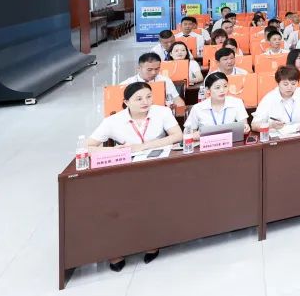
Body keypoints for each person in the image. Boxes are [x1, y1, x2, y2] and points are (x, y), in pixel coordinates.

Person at [87, 81, 182, 271]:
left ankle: (151, 242)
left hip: (157, 167)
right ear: (126, 102)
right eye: (138, 99)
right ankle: (117, 248)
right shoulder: (113, 121)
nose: (145, 102)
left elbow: (177, 135)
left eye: (148, 97)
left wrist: (144, 146)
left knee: (154, 202)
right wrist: (119, 151)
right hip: (126, 171)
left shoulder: (162, 112)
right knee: (119, 206)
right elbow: (89, 147)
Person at [252, 66, 300, 134]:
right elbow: (254, 125)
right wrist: (271, 125)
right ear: (278, 83)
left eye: (293, 84)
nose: (289, 87)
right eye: (285, 84)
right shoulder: (269, 98)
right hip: (278, 137)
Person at [184, 72, 250, 135]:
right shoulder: (198, 108)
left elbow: (244, 125)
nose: (222, 90)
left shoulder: (237, 103)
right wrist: (194, 135)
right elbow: (188, 131)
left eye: (225, 86)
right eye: (217, 87)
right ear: (208, 90)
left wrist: (245, 128)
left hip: (232, 141)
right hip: (208, 142)